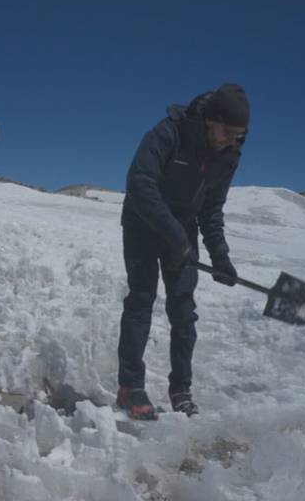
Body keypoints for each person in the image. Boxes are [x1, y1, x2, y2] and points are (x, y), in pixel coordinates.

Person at [117, 83, 249, 419]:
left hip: (183, 231)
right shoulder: (169, 132)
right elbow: (140, 183)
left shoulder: (229, 155)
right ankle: (130, 387)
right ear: (211, 120)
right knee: (141, 301)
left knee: (183, 311)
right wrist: (175, 235)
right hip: (142, 223)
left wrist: (220, 257)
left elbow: (211, 209)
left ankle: (181, 388)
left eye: (238, 135)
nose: (230, 141)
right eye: (227, 132)